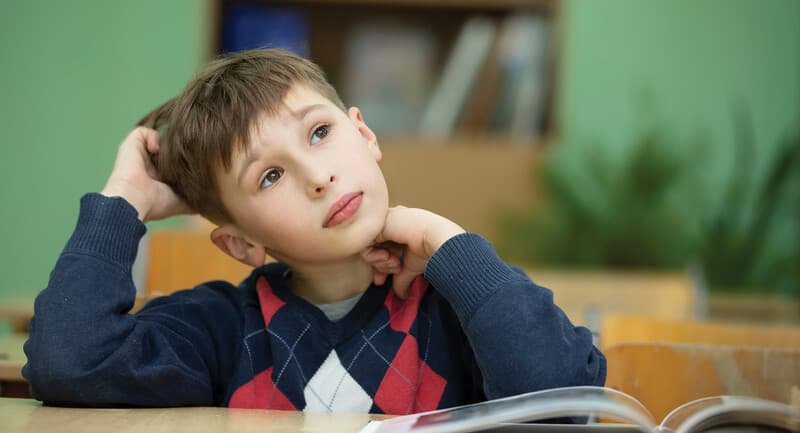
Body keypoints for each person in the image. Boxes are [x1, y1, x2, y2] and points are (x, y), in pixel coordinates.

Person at [23, 49, 605, 412]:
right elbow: (69, 361)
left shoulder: (463, 308)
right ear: (243, 244)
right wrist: (124, 198)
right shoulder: (224, 332)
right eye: (271, 175)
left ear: (365, 135)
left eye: (319, 133)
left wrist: (447, 241)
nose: (318, 176)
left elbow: (562, 399)